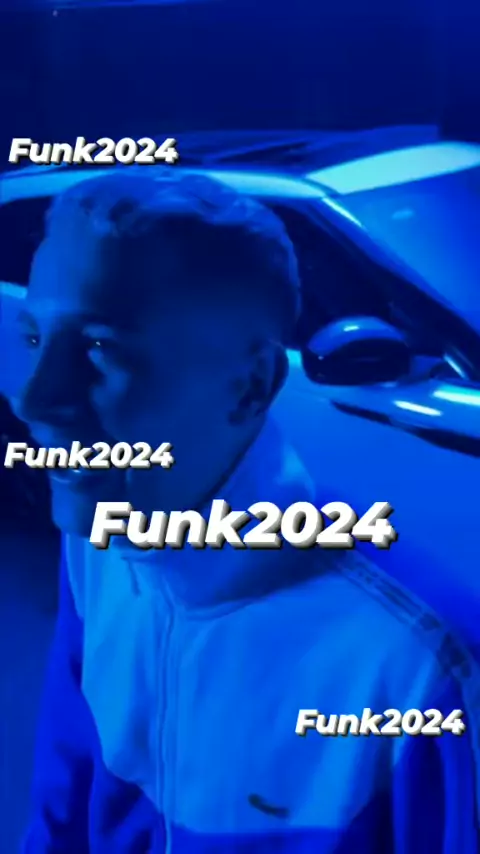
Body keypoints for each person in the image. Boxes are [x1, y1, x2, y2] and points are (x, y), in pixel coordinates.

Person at [16, 171, 479, 853]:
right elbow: (66, 800)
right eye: (34, 338)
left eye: (100, 347)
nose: (33, 398)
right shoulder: (102, 541)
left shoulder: (421, 666)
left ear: (252, 385)